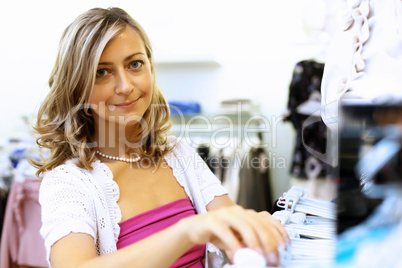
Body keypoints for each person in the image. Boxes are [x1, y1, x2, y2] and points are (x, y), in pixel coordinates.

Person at [32, 7, 289, 268]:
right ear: (77, 89)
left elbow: (230, 228)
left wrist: (254, 235)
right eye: (102, 72)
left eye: (135, 64)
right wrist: (185, 232)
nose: (125, 86)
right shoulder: (67, 184)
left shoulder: (178, 153)